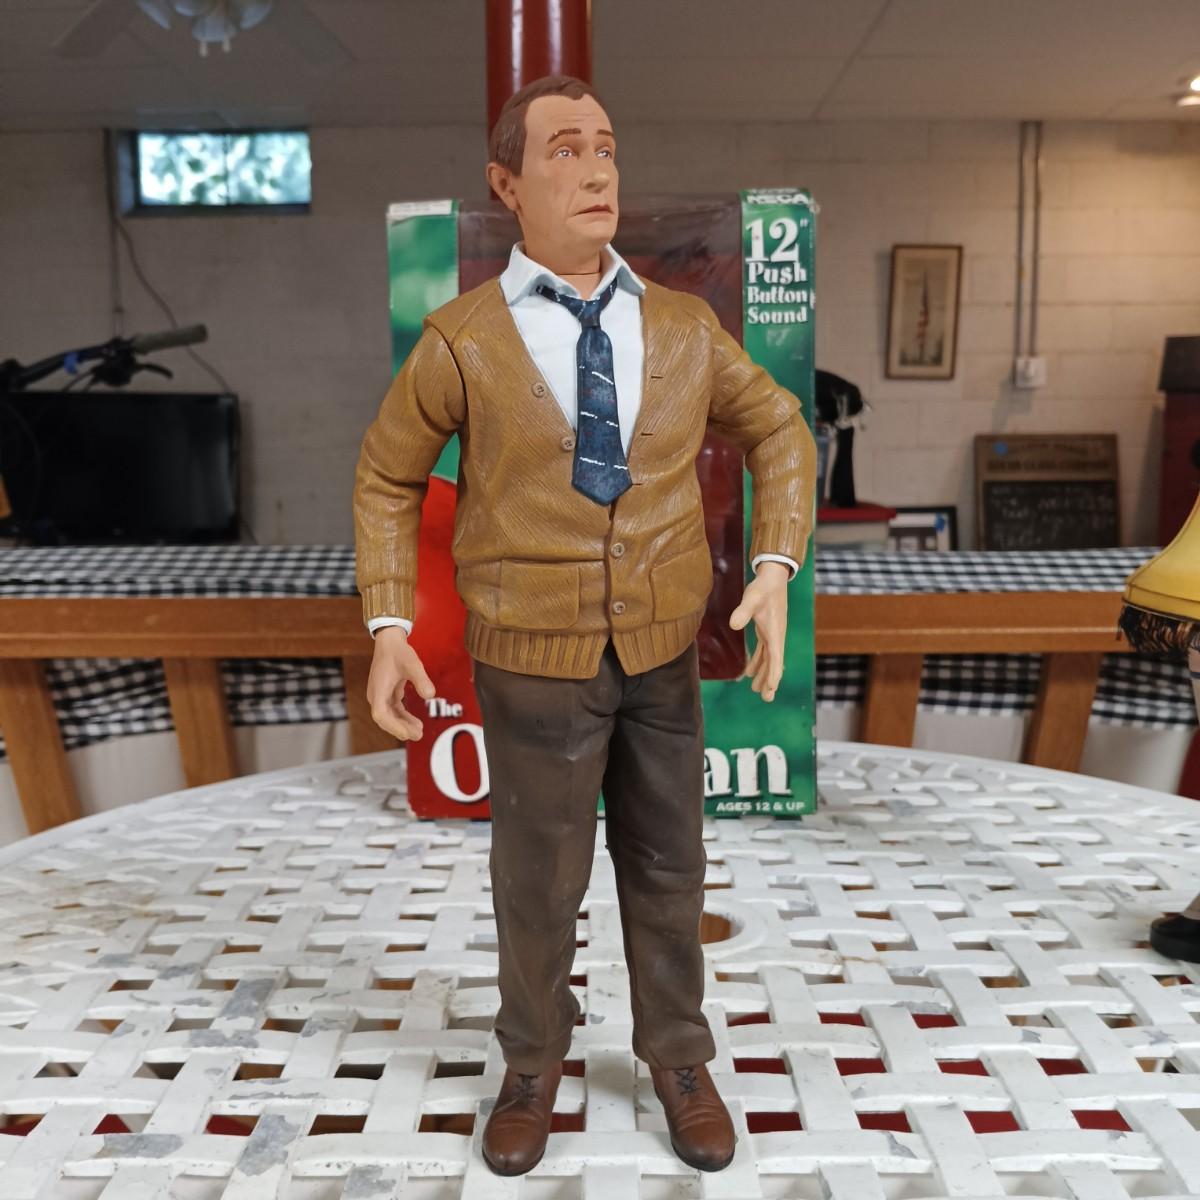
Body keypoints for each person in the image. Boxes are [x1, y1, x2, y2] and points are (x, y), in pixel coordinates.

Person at [353, 74, 815, 1176]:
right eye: (564, 149)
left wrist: (775, 564)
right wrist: (388, 621)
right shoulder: (462, 340)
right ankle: (531, 1061)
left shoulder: (684, 326)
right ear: (506, 184)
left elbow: (779, 427)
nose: (597, 167)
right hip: (531, 659)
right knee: (538, 878)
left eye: (605, 146)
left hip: (662, 646)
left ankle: (679, 1056)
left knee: (670, 864)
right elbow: (387, 476)